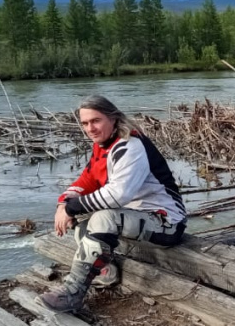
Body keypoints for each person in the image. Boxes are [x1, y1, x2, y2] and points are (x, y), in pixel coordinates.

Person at [38, 95, 187, 312]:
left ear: (113, 118)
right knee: (82, 221)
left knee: (102, 217)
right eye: (85, 123)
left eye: (96, 121)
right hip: (136, 216)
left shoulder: (130, 145)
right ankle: (106, 271)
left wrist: (73, 207)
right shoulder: (103, 145)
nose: (91, 128)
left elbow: (118, 195)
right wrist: (64, 204)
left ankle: (73, 293)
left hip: (166, 222)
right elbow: (88, 180)